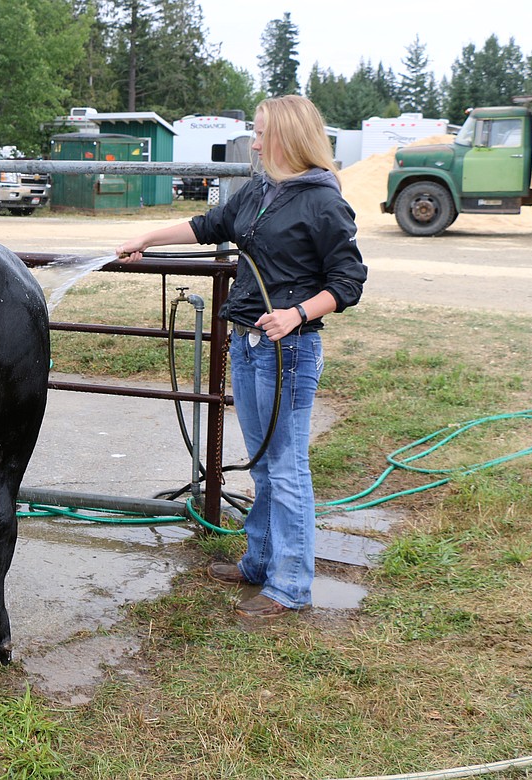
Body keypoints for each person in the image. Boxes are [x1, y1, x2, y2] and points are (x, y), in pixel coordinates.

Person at [116, 95, 367, 618]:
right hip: (248, 343)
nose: (252, 142)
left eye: (259, 133)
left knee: (287, 468)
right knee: (264, 466)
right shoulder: (261, 189)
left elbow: (348, 282)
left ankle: (291, 584)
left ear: (287, 136)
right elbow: (209, 226)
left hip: (288, 350)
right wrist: (148, 239)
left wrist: (296, 314)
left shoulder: (323, 200)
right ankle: (259, 563)